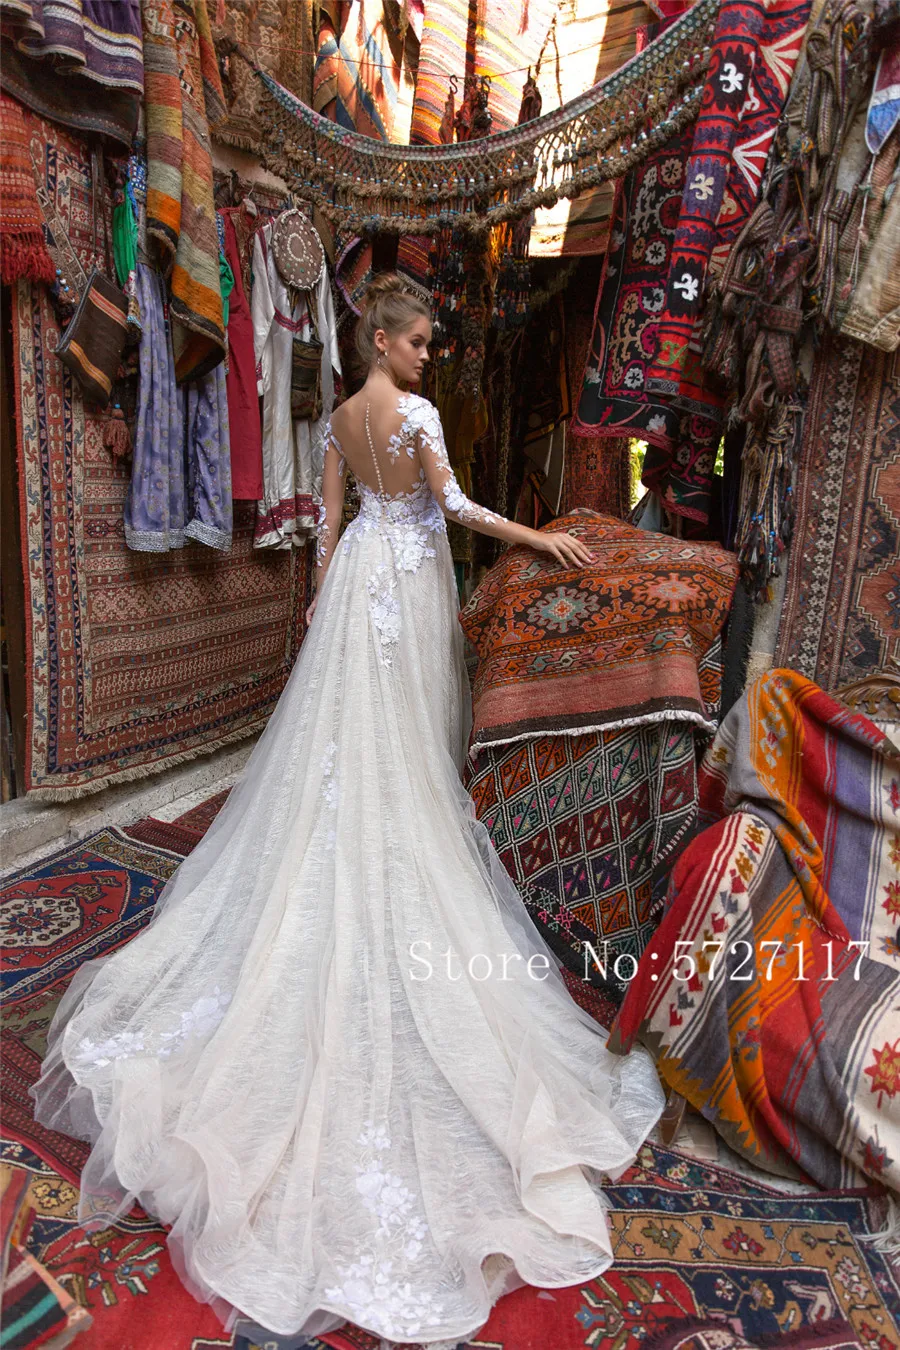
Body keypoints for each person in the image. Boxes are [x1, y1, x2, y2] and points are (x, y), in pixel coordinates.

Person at [30, 275, 665, 1349]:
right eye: (419, 342)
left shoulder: (338, 419)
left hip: (365, 573)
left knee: (353, 744)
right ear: (381, 339)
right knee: (402, 743)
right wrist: (538, 538)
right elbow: (453, 509)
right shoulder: (413, 416)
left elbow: (329, 523)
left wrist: (326, 596)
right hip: (407, 582)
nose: (428, 356)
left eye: (428, 345)